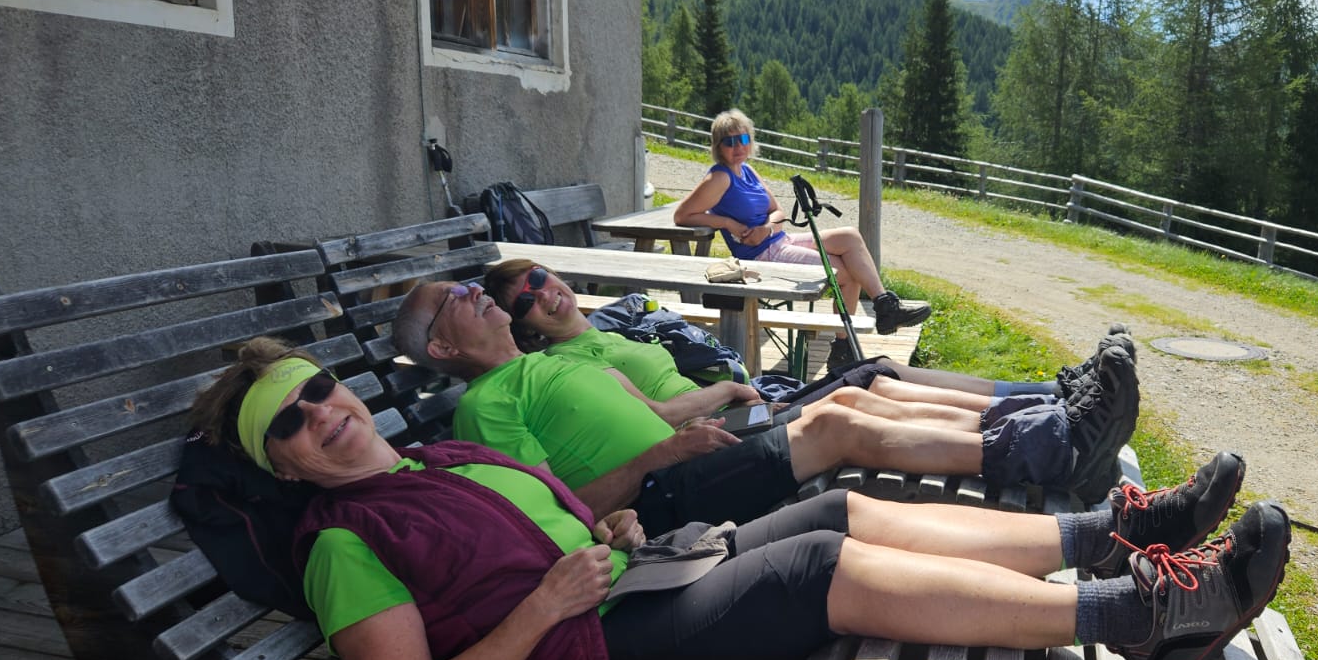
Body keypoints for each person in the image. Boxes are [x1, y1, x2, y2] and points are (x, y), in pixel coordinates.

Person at [190, 337, 1288, 660]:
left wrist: (604, 536)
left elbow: (555, 544)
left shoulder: (445, 458)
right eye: (287, 424)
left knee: (840, 503)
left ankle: (1105, 538)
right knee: (817, 567)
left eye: (316, 388)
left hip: (622, 604)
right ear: (282, 464)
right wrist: (544, 606)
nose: (318, 414)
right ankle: (1138, 616)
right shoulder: (343, 546)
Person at [393, 279, 1141, 534]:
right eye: (454, 298)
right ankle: (1060, 448)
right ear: (444, 349)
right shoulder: (486, 407)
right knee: (841, 417)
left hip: (691, 454)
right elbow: (551, 514)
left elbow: (651, 414)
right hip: (654, 504)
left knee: (857, 395)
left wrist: (700, 417)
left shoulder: (556, 362)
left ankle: (1055, 424)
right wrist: (664, 453)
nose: (473, 290)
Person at [477, 257, 1124, 428]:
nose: (544, 293)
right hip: (728, 424)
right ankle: (1047, 409)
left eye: (540, 277)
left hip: (748, 401)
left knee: (876, 371)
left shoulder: (618, 323)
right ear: (524, 326)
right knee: (872, 381)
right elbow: (649, 418)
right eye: (525, 299)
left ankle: (1049, 394)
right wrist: (728, 393)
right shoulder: (563, 364)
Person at [673, 108, 932, 371]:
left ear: (750, 140)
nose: (738, 147)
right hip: (760, 255)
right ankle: (844, 347)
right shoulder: (718, 177)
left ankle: (884, 305)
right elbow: (682, 215)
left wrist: (767, 228)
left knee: (850, 236)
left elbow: (778, 211)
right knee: (845, 274)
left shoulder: (747, 170)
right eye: (729, 142)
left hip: (778, 240)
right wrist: (727, 223)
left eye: (743, 139)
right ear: (718, 146)